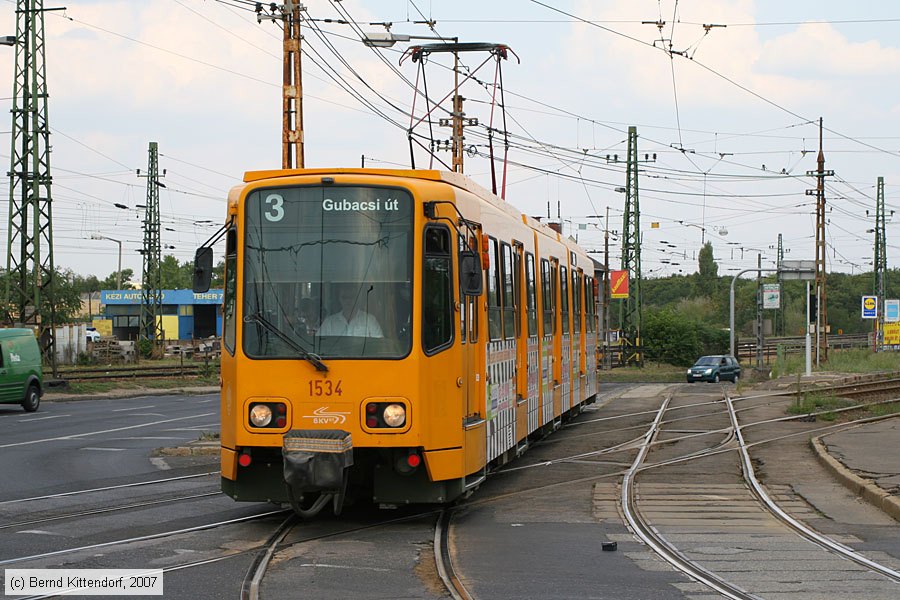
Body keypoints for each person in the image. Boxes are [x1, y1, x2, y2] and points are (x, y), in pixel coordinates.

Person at [318, 284, 383, 337]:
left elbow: (379, 344)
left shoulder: (369, 320)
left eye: (351, 297)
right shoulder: (329, 322)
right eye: (344, 297)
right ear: (339, 299)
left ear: (357, 298)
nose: (348, 300)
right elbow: (319, 345)